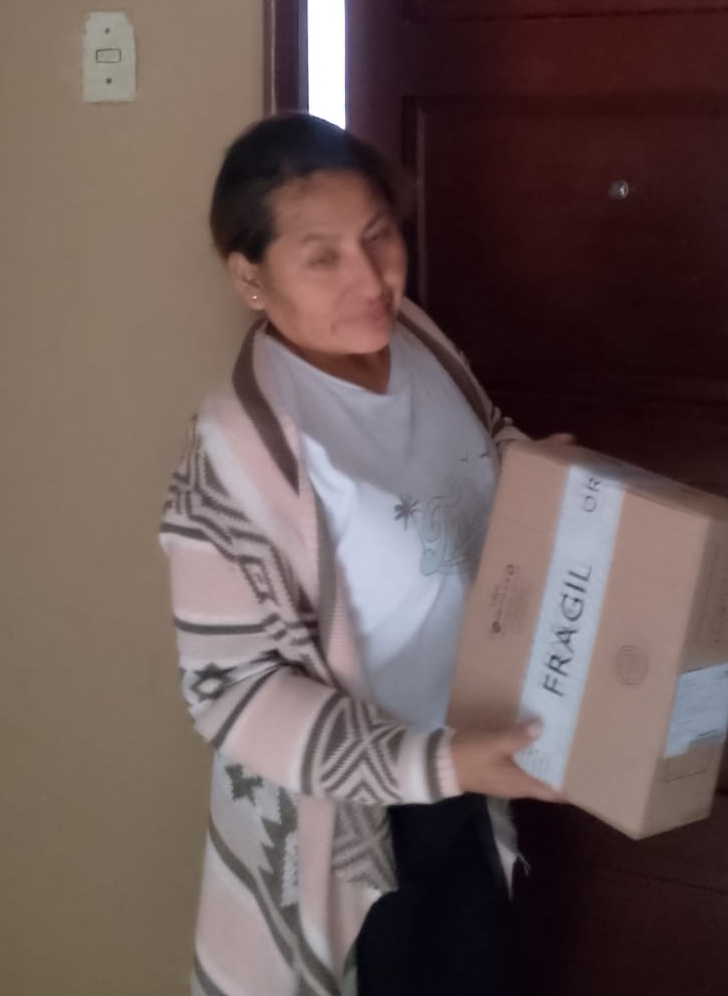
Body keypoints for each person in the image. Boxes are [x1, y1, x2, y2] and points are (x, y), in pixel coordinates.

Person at [160, 113, 560, 996]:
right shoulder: (242, 453)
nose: (372, 279)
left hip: (468, 771)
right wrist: (438, 766)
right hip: (355, 825)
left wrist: (545, 474)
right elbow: (231, 693)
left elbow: (480, 442)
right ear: (249, 277)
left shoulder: (410, 334)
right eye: (323, 257)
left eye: (379, 236)